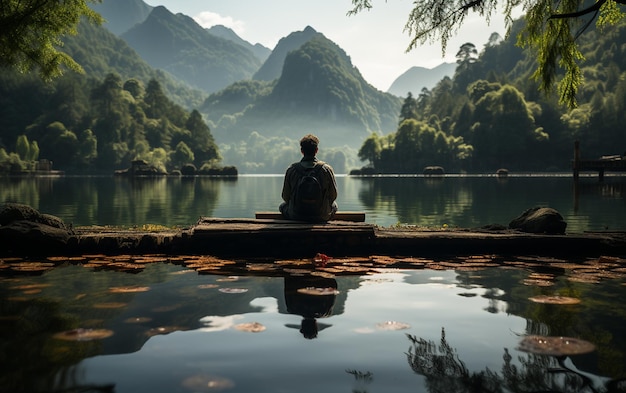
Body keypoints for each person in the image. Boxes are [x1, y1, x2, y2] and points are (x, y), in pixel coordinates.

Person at [279, 134, 338, 221]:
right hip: (321, 216)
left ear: (302, 151)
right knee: (334, 205)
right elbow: (333, 196)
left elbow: (285, 197)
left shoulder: (292, 170)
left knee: (282, 206)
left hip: (296, 215)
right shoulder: (326, 169)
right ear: (316, 150)